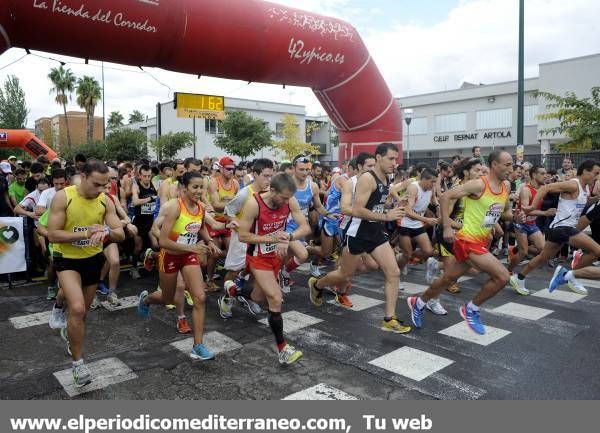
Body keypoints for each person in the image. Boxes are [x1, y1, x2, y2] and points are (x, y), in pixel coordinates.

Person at [407, 150, 516, 335]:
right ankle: (471, 309)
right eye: (507, 164)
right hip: (466, 239)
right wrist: (448, 226)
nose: (511, 168)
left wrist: (515, 216)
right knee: (503, 276)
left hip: (480, 240)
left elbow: (504, 212)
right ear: (494, 165)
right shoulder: (478, 184)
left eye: (511, 164)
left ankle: (418, 302)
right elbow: (445, 196)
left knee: (448, 278)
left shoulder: (505, 187)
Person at [309, 143, 411, 334]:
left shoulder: (387, 178)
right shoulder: (366, 179)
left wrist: (394, 205)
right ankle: (318, 283)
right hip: (357, 233)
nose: (394, 163)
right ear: (379, 157)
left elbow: (377, 205)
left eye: (395, 159)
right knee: (344, 275)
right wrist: (386, 216)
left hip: (376, 233)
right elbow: (356, 210)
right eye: (390, 158)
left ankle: (389, 318)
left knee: (393, 272)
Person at [47, 159, 125, 387]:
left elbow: (119, 233)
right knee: (78, 307)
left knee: (82, 314)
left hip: (92, 258)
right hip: (67, 259)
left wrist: (108, 230)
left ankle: (66, 316)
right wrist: (86, 234)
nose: (101, 190)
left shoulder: (104, 200)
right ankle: (78, 365)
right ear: (83, 176)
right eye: (97, 184)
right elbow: (53, 234)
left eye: (105, 185)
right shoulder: (64, 197)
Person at [138, 171, 221, 360]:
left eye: (201, 187)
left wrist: (210, 242)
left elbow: (204, 226)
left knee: (200, 297)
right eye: (195, 187)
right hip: (169, 256)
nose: (199, 191)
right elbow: (163, 241)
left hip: (188, 257)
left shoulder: (199, 207)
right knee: (168, 299)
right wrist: (192, 248)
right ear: (183, 188)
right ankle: (146, 300)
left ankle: (198, 346)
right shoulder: (174, 207)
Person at [236, 173, 311, 364]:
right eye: (283, 198)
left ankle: (233, 289)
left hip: (276, 255)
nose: (286, 201)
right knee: (276, 298)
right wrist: (273, 239)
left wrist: (289, 237)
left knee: (258, 297)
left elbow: (305, 227)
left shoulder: (288, 199)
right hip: (258, 257)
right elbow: (243, 236)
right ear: (272, 190)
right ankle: (283, 349)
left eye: (288, 198)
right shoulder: (254, 204)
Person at [516, 160, 600, 295]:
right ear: (585, 171)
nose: (596, 177)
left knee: (543, 257)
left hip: (561, 229)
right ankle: (570, 275)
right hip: (563, 228)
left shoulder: (585, 188)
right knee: (597, 251)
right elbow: (545, 188)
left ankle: (519, 278)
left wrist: (594, 200)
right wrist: (532, 207)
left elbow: (580, 202)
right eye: (595, 173)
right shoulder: (573, 184)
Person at [218, 158, 274, 319]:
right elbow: (228, 210)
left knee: (258, 271)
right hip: (242, 239)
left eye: (271, 176)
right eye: (265, 176)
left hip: (261, 238)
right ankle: (226, 298)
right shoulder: (245, 193)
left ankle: (247, 296)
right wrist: (234, 223)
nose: (269, 180)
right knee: (234, 270)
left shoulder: (270, 191)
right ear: (255, 174)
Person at [507, 165, 555, 295]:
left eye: (546, 173)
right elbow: (526, 209)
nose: (545, 176)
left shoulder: (542, 189)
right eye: (542, 173)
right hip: (521, 222)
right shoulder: (525, 190)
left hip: (532, 223)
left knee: (543, 250)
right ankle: (509, 270)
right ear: (534, 175)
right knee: (524, 252)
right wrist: (545, 213)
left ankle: (515, 250)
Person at [206, 156, 240, 290]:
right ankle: (209, 279)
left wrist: (227, 203)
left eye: (233, 169)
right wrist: (231, 202)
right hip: (213, 221)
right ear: (220, 168)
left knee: (234, 250)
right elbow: (215, 205)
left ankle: (233, 279)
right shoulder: (214, 183)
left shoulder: (235, 184)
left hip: (227, 222)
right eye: (228, 169)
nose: (231, 172)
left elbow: (235, 206)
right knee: (215, 252)